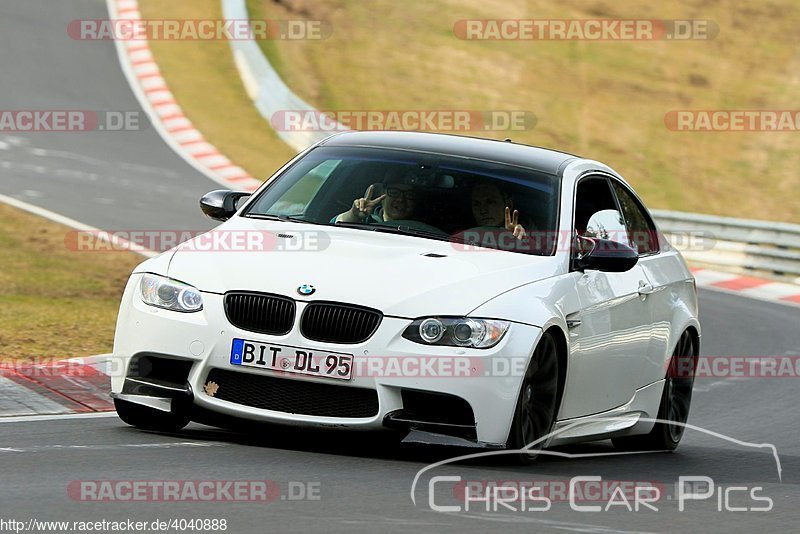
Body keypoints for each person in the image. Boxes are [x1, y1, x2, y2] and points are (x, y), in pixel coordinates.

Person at [335, 177, 418, 224]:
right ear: (382, 194)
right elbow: (334, 226)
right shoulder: (366, 220)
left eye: (408, 195)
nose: (401, 199)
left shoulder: (423, 229)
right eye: (394, 192)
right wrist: (353, 215)